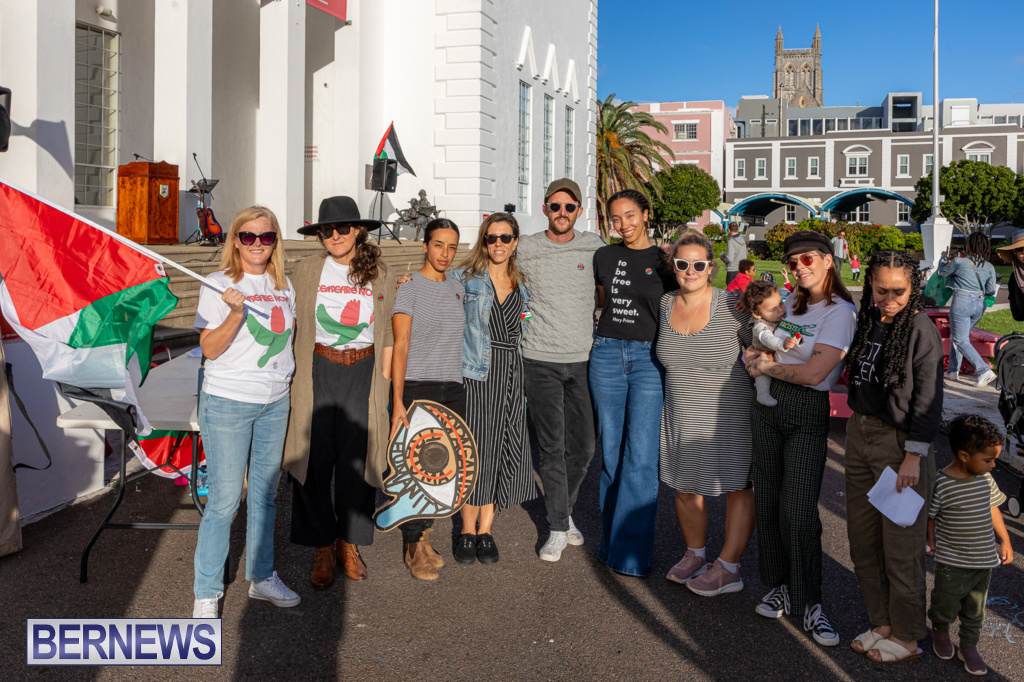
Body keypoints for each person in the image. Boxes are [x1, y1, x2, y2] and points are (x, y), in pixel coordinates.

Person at [745, 230, 857, 647]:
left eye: (807, 259)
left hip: (806, 408)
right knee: (768, 499)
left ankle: (810, 600)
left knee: (799, 510)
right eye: (792, 262)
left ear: (828, 260)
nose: (799, 268)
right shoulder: (790, 301)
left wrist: (764, 366)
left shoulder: (840, 312)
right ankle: (779, 585)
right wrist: (753, 354)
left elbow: (814, 374)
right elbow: (758, 334)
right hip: (767, 405)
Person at [283, 196, 396, 589]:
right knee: (312, 461)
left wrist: (384, 383)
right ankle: (322, 547)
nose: (334, 236)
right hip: (317, 368)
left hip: (364, 371)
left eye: (342, 228)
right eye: (326, 230)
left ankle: (349, 543)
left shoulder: (381, 272)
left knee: (357, 461)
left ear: (357, 230)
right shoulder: (306, 270)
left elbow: (388, 332)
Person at [192, 206, 300, 618]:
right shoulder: (218, 283)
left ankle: (261, 576)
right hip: (229, 401)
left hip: (275, 401)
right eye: (248, 236)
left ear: (275, 242)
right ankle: (206, 592)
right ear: (235, 240)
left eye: (266, 236)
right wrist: (236, 313)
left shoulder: (283, 285)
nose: (257, 243)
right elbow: (209, 348)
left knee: (265, 496)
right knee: (223, 501)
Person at [844, 250, 944, 664]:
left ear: (913, 287)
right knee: (863, 543)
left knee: (901, 550)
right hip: (859, 435)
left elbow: (929, 398)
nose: (889, 299)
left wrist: (914, 455)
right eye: (881, 289)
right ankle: (882, 623)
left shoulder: (921, 328)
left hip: (900, 446)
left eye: (898, 291)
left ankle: (907, 636)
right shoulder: (870, 318)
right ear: (870, 283)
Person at [658, 233, 755, 596]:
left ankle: (729, 567)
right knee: (684, 487)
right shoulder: (665, 303)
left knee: (736, 487)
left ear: (711, 268)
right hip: (680, 412)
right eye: (683, 264)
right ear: (674, 266)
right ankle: (695, 554)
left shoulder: (732, 305)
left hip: (728, 414)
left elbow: (762, 344)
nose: (691, 271)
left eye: (699, 264)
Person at [590, 189, 678, 577]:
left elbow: (691, 295)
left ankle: (630, 557)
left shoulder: (665, 260)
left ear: (645, 214)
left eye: (629, 215)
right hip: (606, 353)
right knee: (611, 454)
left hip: (648, 359)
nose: (623, 224)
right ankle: (610, 545)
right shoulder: (604, 256)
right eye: (615, 218)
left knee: (640, 457)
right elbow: (598, 300)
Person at [517, 178, 604, 562]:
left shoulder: (594, 246)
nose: (562, 213)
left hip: (584, 360)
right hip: (540, 360)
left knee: (583, 449)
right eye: (555, 206)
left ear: (579, 211)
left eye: (569, 207)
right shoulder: (526, 248)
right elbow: (483, 267)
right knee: (552, 449)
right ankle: (557, 527)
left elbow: (622, 279)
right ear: (545, 209)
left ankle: (563, 512)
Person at [451, 213, 537, 565]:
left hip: (512, 374)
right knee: (475, 451)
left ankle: (486, 530)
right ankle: (466, 531)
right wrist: (408, 281)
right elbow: (435, 291)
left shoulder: (523, 283)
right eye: (491, 238)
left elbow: (526, 325)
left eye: (505, 238)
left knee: (502, 449)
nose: (498, 244)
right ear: (483, 242)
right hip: (477, 375)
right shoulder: (465, 278)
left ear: (515, 242)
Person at [390, 218, 466, 581]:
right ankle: (412, 546)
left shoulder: (458, 287)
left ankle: (425, 537)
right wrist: (398, 400)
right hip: (418, 387)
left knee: (441, 470)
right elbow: (400, 345)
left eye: (452, 247)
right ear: (425, 246)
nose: (445, 253)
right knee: (415, 468)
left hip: (453, 388)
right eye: (438, 245)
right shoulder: (409, 287)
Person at [927, 414, 1014, 676]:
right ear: (964, 456)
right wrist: (929, 540)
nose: (993, 465)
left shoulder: (985, 479)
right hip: (952, 562)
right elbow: (931, 516)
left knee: (976, 610)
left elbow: (993, 508)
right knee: (945, 603)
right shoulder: (942, 483)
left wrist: (1005, 539)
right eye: (988, 460)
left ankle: (968, 645)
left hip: (983, 561)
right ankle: (940, 631)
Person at [937, 233, 998, 387]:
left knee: (960, 339)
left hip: (962, 302)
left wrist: (943, 258)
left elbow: (941, 273)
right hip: (979, 303)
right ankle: (953, 370)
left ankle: (984, 370)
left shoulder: (959, 261)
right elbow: (991, 290)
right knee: (959, 336)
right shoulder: (989, 266)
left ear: (969, 246)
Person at [743, 281, 798, 407]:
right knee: (762, 372)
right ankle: (762, 394)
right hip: (764, 353)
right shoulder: (759, 325)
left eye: (781, 303)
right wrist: (782, 344)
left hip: (777, 356)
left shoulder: (779, 315)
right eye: (773, 309)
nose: (780, 310)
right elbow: (766, 338)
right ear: (757, 314)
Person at [996, 228, 1024, 322]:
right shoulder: (1014, 277)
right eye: (1020, 249)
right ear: (1014, 252)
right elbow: (1015, 308)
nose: (1023, 252)